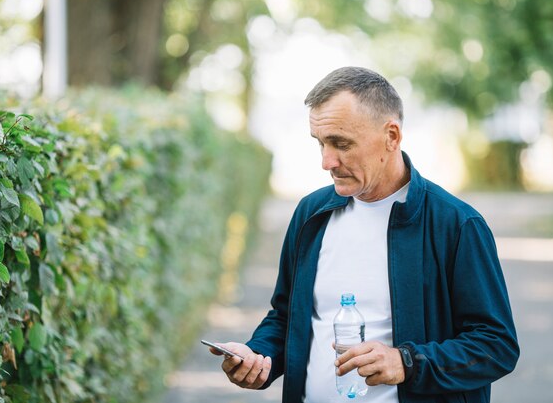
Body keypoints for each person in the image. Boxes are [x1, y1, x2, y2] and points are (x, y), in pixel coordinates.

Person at [207, 67, 519, 403]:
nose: (327, 161)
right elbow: (286, 318)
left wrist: (407, 362)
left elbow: (495, 345)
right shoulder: (311, 214)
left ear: (392, 136)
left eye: (341, 144)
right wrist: (258, 357)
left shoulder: (456, 224)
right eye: (321, 143)